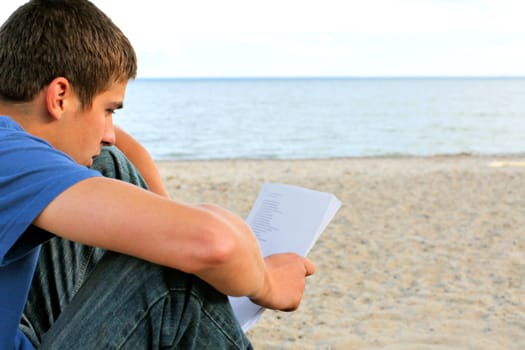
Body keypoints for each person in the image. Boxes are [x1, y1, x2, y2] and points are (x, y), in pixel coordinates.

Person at [0, 0, 315, 349]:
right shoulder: (9, 155)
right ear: (59, 96)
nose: (110, 131)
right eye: (108, 110)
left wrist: (163, 217)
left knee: (105, 165)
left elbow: (119, 149)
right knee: (174, 270)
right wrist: (267, 283)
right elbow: (214, 244)